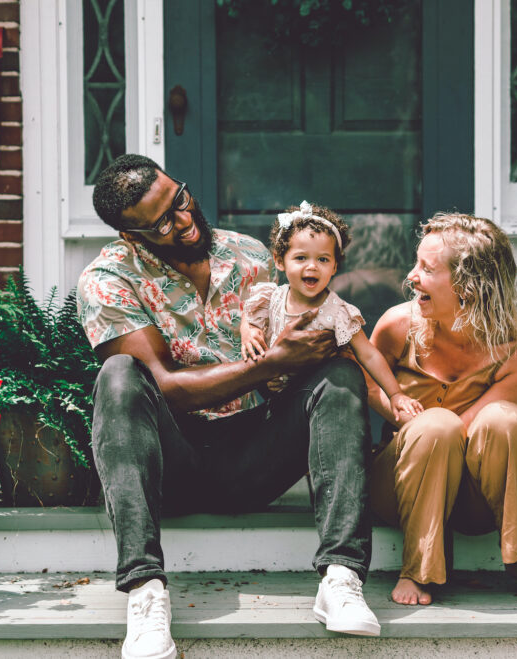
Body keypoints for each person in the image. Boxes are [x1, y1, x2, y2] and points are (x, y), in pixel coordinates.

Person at [77, 154, 380, 659]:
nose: (184, 219)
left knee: (340, 374)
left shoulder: (251, 255)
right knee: (118, 375)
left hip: (252, 455)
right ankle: (145, 592)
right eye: (162, 222)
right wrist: (266, 366)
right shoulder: (109, 279)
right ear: (132, 235)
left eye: (180, 198)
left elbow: (291, 361)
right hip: (171, 461)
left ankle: (341, 577)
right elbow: (164, 386)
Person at [366, 213, 517, 607]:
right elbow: (366, 385)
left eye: (426, 268)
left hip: (474, 500)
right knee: (435, 427)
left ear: (469, 288)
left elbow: (471, 428)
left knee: (507, 422)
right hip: (400, 486)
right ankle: (417, 566)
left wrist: (430, 423)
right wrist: (400, 413)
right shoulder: (397, 326)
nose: (411, 276)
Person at [240, 201, 424, 424]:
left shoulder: (339, 312)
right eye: (301, 258)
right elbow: (249, 317)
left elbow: (369, 354)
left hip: (321, 400)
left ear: (335, 267)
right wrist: (249, 332)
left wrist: (396, 394)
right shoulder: (270, 298)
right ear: (280, 261)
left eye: (323, 259)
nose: (312, 266)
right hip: (274, 398)